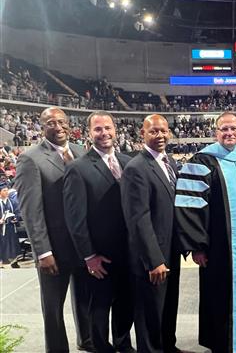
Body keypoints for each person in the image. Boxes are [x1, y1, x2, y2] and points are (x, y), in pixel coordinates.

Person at [175, 111, 236, 353]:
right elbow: (189, 205)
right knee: (219, 293)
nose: (229, 133)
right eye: (224, 129)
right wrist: (197, 246)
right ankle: (221, 343)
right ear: (215, 132)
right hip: (218, 246)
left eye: (234, 128)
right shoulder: (201, 161)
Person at [14, 107, 92, 352]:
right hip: (53, 249)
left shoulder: (81, 152)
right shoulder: (30, 158)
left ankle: (87, 340)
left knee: (85, 300)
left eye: (62, 122)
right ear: (42, 127)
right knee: (53, 308)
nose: (58, 127)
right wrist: (43, 252)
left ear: (69, 123)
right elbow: (31, 211)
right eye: (50, 123)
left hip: (82, 245)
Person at [63, 111, 135, 353]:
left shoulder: (128, 162)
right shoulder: (78, 168)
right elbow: (75, 219)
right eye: (98, 129)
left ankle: (124, 345)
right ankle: (102, 348)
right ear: (89, 133)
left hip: (129, 251)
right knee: (100, 307)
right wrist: (88, 256)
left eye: (108, 128)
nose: (104, 133)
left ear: (116, 130)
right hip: (100, 255)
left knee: (126, 303)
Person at [121, 114, 182, 353]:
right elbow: (138, 219)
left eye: (163, 131)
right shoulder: (136, 168)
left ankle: (169, 346)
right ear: (142, 134)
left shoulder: (170, 162)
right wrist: (154, 259)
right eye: (153, 131)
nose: (160, 136)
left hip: (171, 250)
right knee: (149, 315)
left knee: (168, 307)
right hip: (152, 256)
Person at [0, 181, 21, 268]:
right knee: (2, 244)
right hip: (1, 228)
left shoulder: (12, 201)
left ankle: (14, 261)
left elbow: (18, 211)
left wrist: (16, 218)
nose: (6, 192)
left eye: (7, 190)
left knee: (13, 244)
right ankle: (1, 262)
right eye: (4, 190)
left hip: (11, 226)